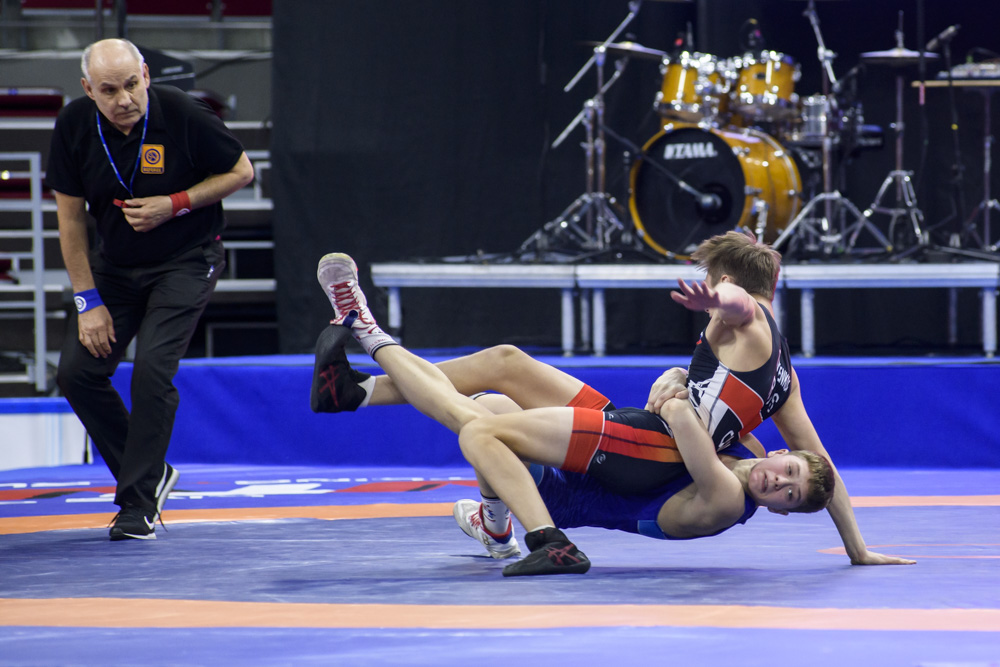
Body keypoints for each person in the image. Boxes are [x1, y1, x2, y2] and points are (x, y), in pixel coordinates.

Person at [313, 233, 915, 568]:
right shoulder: (783, 381)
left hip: (648, 448)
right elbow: (821, 464)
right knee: (505, 366)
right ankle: (358, 393)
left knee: (481, 425)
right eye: (788, 473)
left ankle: (365, 327)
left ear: (729, 284)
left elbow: (738, 313)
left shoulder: (745, 320)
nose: (779, 478)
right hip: (644, 436)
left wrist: (711, 318)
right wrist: (857, 550)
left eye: (714, 283)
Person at [44, 38, 255, 540]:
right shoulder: (74, 125)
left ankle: (137, 504)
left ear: (145, 75)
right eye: (109, 90)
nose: (124, 99)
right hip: (116, 268)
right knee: (77, 373)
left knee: (152, 371)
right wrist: (87, 300)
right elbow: (70, 220)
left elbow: (241, 170)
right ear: (88, 89)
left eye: (131, 85)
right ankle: (151, 474)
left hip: (187, 260)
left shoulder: (181, 112)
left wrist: (176, 202)